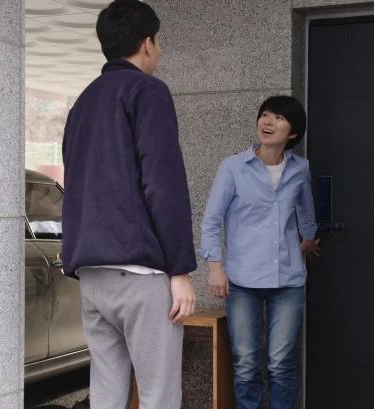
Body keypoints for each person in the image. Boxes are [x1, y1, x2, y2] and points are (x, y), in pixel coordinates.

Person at [61, 1, 196, 408]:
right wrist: (179, 269)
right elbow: (163, 184)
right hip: (139, 273)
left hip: (92, 274)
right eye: (159, 42)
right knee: (158, 395)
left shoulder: (83, 102)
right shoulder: (147, 91)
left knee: (106, 393)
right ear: (147, 43)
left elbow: (77, 182)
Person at [200, 95, 321, 409]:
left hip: (288, 281)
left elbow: (305, 210)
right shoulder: (233, 167)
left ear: (293, 132)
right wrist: (215, 267)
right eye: (265, 115)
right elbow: (211, 220)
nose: (268, 122)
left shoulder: (300, 168)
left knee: (281, 363)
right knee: (246, 364)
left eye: (278, 118)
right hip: (243, 282)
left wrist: (308, 238)